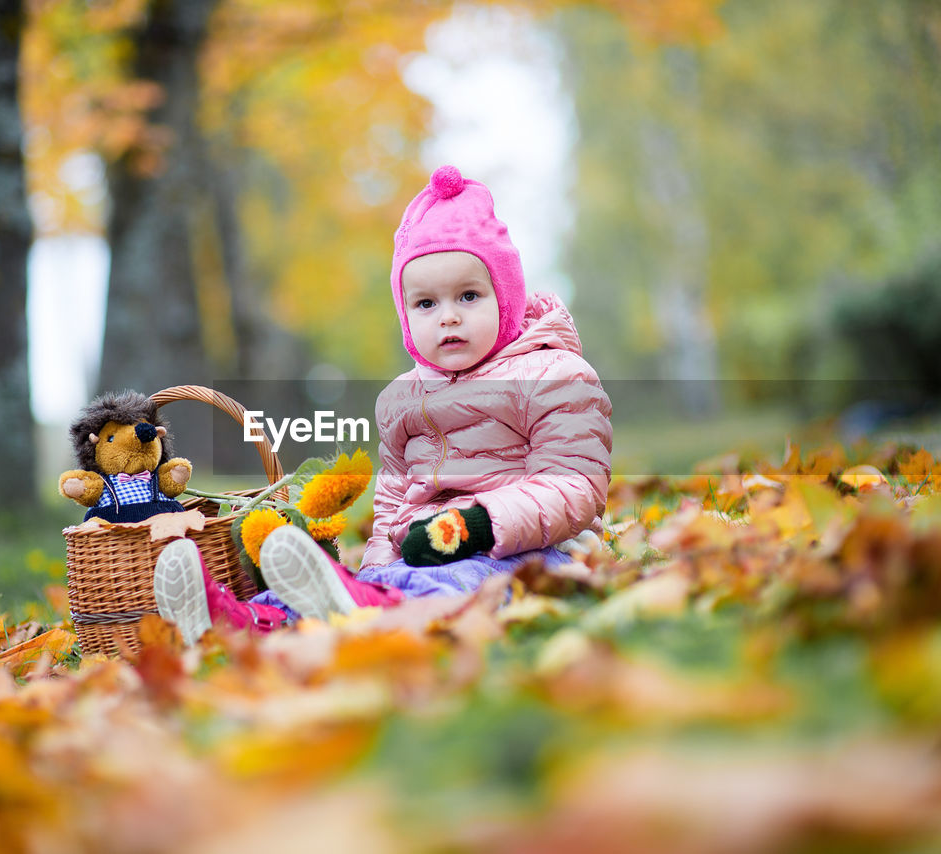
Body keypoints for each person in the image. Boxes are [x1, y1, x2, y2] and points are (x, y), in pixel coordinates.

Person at [154, 165, 612, 643]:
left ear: (507, 299)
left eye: (469, 295)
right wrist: (379, 563)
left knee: (454, 584)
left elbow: (573, 486)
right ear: (406, 312)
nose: (448, 316)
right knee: (384, 578)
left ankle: (362, 610)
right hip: (426, 549)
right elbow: (393, 504)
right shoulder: (401, 398)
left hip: (534, 552)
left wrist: (476, 524)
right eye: (426, 304)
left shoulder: (551, 374)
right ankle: (243, 620)